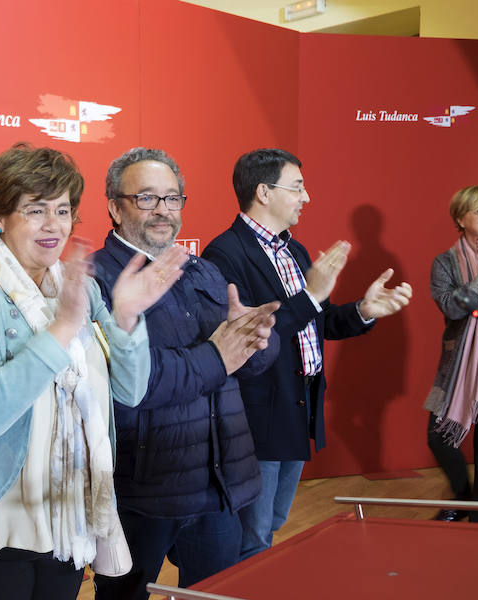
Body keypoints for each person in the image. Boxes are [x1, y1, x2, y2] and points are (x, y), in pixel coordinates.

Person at [0, 143, 190, 600]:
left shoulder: (81, 288)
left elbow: (130, 390)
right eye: (36, 210)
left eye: (63, 210)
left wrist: (126, 320)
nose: (53, 225)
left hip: (68, 520)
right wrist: (62, 329)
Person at [202, 148, 413, 559]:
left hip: (297, 407)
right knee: (254, 535)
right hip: (256, 417)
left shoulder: (293, 251)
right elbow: (247, 337)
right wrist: (313, 295)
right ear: (264, 192)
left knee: (273, 523)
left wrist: (363, 311)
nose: (307, 197)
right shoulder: (224, 253)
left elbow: (318, 320)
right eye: (297, 187)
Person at [90, 147, 281, 599]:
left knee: (214, 594)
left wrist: (256, 340)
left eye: (173, 198)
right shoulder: (95, 279)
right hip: (143, 491)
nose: (163, 211)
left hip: (218, 484)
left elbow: (244, 365)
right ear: (115, 207)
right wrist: (219, 355)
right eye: (147, 198)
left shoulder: (204, 270)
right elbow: (133, 384)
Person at [424, 185, 478, 523]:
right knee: (438, 437)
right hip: (456, 367)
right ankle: (462, 495)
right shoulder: (445, 261)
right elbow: (451, 306)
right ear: (460, 218)